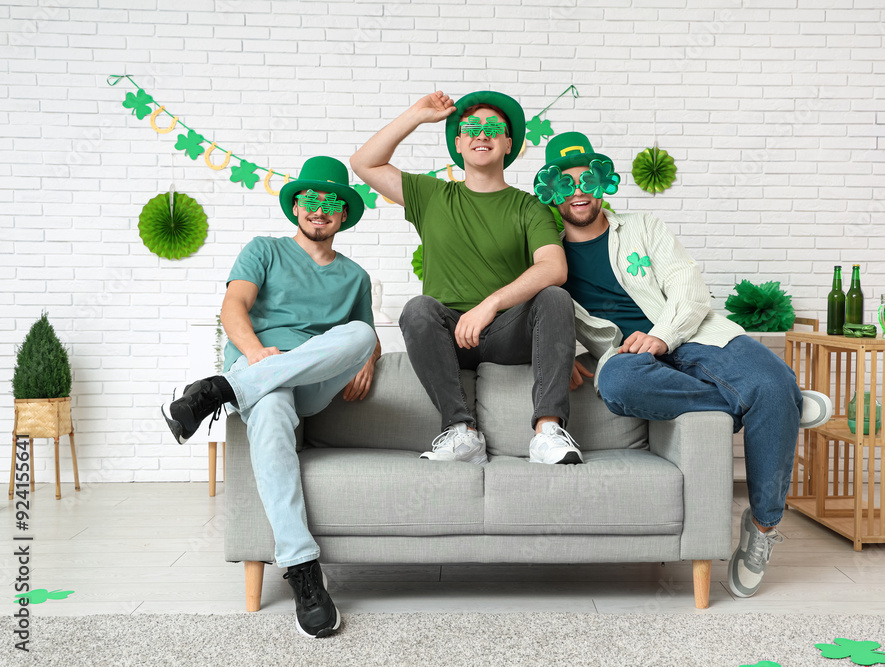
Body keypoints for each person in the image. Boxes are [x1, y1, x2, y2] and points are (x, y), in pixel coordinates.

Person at [537, 132, 834, 597]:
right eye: (565, 182)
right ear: (551, 190)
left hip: (696, 335)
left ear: (602, 183)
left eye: (587, 179)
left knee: (770, 380)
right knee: (618, 384)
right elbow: (543, 316)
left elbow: (689, 288)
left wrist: (662, 335)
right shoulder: (547, 257)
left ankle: (762, 525)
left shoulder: (643, 227)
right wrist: (567, 356)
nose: (578, 191)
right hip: (629, 359)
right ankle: (779, 403)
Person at [161, 156, 380, 638]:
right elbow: (232, 307)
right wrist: (257, 355)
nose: (319, 209)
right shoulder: (263, 249)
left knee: (363, 334)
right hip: (260, 369)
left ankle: (218, 393)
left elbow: (366, 339)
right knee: (272, 401)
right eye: (310, 199)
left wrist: (367, 359)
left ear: (344, 213)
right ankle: (302, 569)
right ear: (296, 207)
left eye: (331, 201)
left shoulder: (355, 277)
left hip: (309, 384)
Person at [351, 90, 581, 465]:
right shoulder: (431, 195)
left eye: (493, 128)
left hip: (508, 333)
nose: (481, 134)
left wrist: (490, 305)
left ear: (509, 143)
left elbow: (554, 267)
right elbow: (363, 163)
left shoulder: (529, 206)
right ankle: (461, 432)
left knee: (555, 296)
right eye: (471, 128)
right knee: (418, 308)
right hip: (448, 336)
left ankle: (548, 433)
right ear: (458, 143)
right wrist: (416, 115)